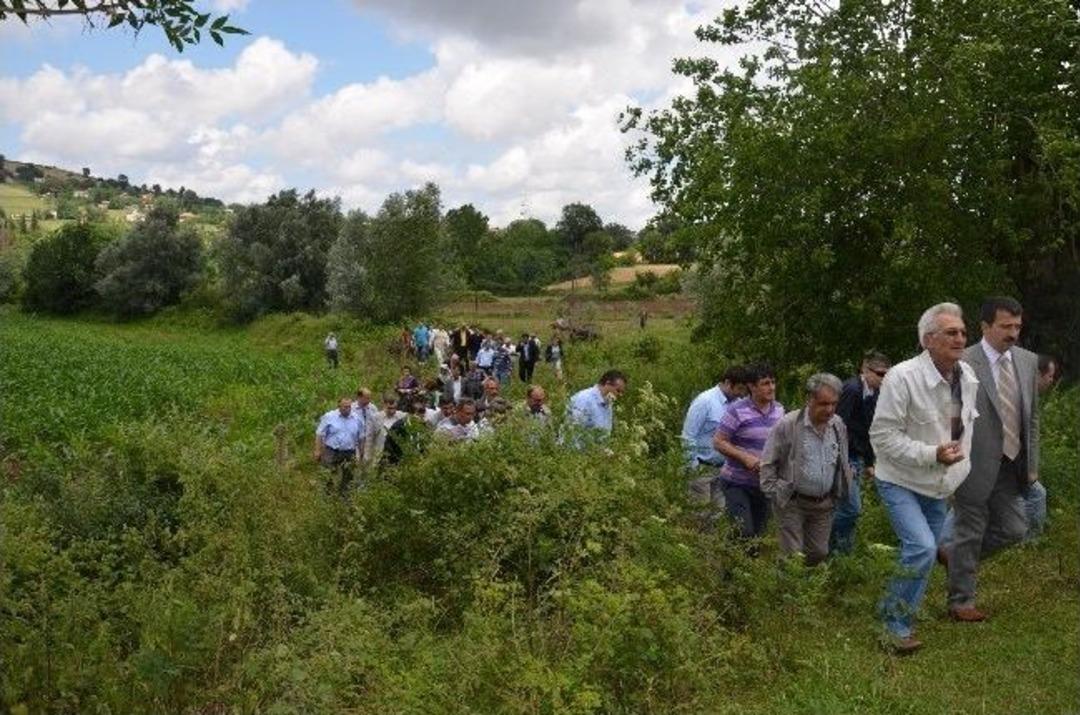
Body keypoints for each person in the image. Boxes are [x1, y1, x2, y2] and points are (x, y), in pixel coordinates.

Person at [869, 302, 979, 654]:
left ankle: (901, 616)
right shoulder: (902, 377)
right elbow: (882, 436)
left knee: (924, 555)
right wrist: (931, 454)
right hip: (900, 479)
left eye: (962, 332)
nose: (960, 338)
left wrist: (956, 468)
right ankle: (892, 626)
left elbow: (962, 428)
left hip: (939, 484)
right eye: (951, 332)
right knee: (921, 548)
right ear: (928, 339)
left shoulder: (968, 377)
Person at [945, 297, 1040, 623]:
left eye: (1017, 326)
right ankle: (961, 602)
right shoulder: (964, 361)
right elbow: (951, 415)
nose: (1013, 333)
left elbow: (1032, 417)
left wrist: (1032, 464)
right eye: (1005, 326)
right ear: (985, 326)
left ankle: (954, 556)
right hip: (972, 463)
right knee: (969, 531)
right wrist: (947, 458)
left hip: (1012, 464)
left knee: (1015, 529)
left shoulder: (1027, 361)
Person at [760, 373, 853, 566]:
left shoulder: (837, 425)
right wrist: (776, 492)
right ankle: (786, 590)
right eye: (824, 404)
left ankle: (803, 587)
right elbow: (768, 462)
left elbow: (841, 458)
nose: (829, 409)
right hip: (792, 501)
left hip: (823, 504)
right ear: (809, 400)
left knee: (819, 552)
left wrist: (845, 480)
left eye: (834, 404)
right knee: (793, 556)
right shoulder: (788, 425)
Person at [713, 363, 784, 543]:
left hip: (764, 484)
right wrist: (745, 458)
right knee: (743, 531)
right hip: (737, 482)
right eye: (766, 383)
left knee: (757, 537)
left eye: (773, 382)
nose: (771, 388)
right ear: (752, 387)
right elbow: (719, 441)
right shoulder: (737, 410)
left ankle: (744, 570)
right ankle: (730, 568)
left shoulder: (779, 411)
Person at [830, 350, 891, 554]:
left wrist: (869, 462)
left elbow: (868, 429)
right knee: (851, 509)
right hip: (844, 457)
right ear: (865, 370)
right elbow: (839, 426)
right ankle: (824, 541)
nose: (884, 378)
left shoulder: (874, 393)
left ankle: (842, 553)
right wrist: (844, 463)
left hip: (857, 456)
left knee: (848, 509)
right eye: (880, 374)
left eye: (886, 374)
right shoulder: (852, 389)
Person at [681, 365, 749, 525]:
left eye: (743, 390)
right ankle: (695, 549)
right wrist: (693, 467)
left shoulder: (737, 405)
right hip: (701, 468)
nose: (740, 393)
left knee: (717, 516)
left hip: (723, 470)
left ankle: (709, 550)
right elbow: (688, 435)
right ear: (727, 382)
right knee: (700, 517)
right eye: (738, 388)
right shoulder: (705, 401)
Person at [564, 370, 627, 448]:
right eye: (618, 390)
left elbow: (604, 435)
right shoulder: (584, 399)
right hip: (578, 455)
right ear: (607, 384)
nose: (620, 395)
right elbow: (573, 433)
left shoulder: (608, 403)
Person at [313, 397, 362, 494]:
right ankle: (327, 495)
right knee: (327, 474)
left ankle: (344, 497)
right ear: (339, 406)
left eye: (349, 407)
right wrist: (317, 450)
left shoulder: (357, 418)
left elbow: (361, 437)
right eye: (345, 407)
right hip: (331, 450)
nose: (347, 409)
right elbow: (319, 434)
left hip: (349, 451)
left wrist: (360, 452)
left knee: (348, 476)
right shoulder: (329, 416)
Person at [364, 392, 408, 466]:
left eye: (394, 408)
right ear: (384, 405)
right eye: (389, 408)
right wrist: (367, 457)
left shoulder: (403, 416)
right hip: (380, 455)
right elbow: (369, 438)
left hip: (397, 455)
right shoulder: (375, 418)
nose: (392, 411)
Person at [383, 397, 431, 465]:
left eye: (423, 415)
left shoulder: (423, 427)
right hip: (400, 465)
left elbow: (425, 445)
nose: (422, 417)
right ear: (410, 414)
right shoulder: (399, 426)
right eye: (419, 414)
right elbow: (389, 447)